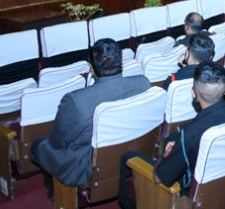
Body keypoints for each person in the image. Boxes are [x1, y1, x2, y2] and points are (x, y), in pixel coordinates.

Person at [119, 60, 225, 209]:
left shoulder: (189, 136)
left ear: (193, 93)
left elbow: (160, 177)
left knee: (127, 157)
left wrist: (168, 151)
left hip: (192, 198)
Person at [31, 38, 151, 196]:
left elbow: (57, 142)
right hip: (135, 154)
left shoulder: (76, 101)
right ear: (121, 62)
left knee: (39, 145)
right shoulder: (143, 84)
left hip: (88, 169)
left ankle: (56, 188)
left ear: (92, 68)